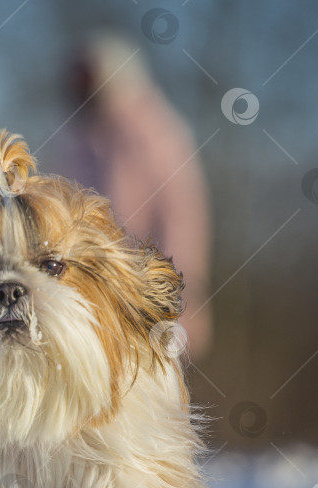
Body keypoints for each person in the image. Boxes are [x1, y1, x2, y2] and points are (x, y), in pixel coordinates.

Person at [52, 35, 213, 360]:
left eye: (89, 82)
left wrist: (172, 297)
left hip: (144, 296)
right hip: (92, 294)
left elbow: (181, 219)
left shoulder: (158, 134)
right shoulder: (80, 137)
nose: (82, 93)